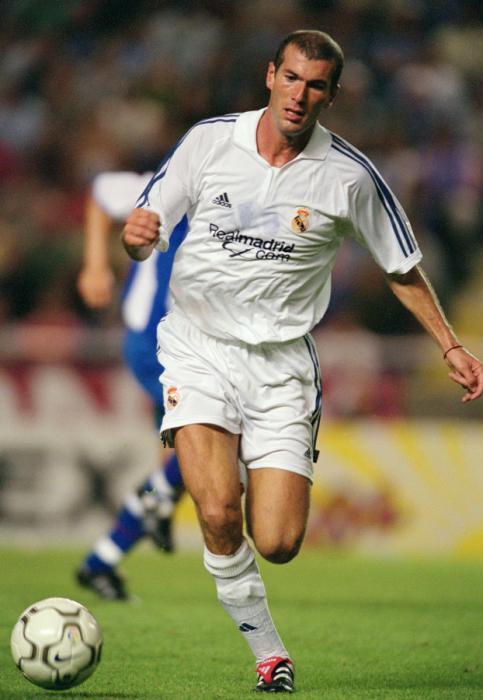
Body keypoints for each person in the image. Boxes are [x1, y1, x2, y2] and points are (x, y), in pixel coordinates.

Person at [121, 30, 483, 693]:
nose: (299, 94)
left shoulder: (348, 176)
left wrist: (449, 342)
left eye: (314, 85)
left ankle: (262, 597)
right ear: (269, 76)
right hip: (197, 346)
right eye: (290, 77)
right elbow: (146, 227)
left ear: (331, 95)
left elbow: (401, 268)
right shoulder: (209, 142)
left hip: (282, 366)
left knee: (279, 541)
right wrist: (135, 235)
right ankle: (269, 657)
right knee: (216, 511)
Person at [76, 171, 188, 600]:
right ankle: (159, 497)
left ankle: (101, 562)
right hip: (155, 343)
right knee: (220, 439)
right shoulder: (173, 180)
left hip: (192, 347)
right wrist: (95, 264)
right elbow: (102, 193)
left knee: (193, 459)